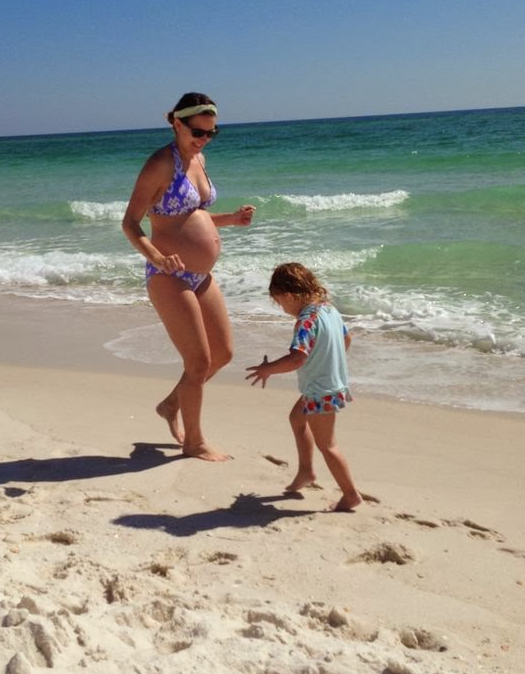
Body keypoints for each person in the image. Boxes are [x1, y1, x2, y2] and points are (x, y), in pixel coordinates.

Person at [122, 92, 255, 461]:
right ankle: (194, 442)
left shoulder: (198, 158)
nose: (204, 139)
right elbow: (130, 223)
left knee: (222, 353)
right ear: (177, 123)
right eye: (198, 132)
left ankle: (170, 404)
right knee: (197, 362)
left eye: (212, 133)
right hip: (169, 275)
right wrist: (157, 257)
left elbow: (193, 216)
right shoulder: (160, 164)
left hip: (200, 275)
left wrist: (231, 219)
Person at [245, 262, 362, 511]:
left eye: (280, 302)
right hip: (328, 384)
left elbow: (297, 358)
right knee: (297, 419)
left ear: (289, 295)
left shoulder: (306, 322)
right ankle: (306, 471)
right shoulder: (328, 310)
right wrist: (330, 362)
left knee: (328, 446)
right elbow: (346, 339)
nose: (282, 308)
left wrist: (268, 369)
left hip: (321, 391)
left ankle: (351, 495)